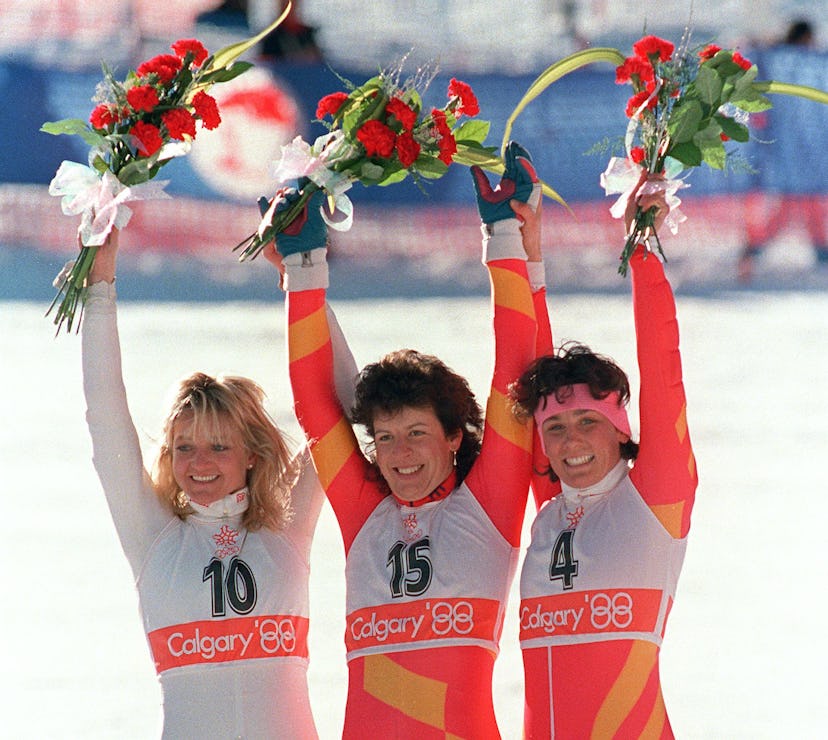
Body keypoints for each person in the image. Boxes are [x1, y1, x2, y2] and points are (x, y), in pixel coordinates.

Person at [267, 143, 539, 737]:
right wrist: (303, 270)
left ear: (453, 437)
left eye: (417, 433)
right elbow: (317, 409)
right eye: (385, 438)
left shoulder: (490, 502)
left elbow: (515, 377)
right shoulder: (365, 511)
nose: (400, 453)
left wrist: (505, 240)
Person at [79, 228, 357, 738]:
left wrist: (302, 284)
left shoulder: (286, 524)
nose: (198, 462)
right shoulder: (154, 537)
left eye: (218, 446)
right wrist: (99, 285)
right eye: (185, 446)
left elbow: (343, 403)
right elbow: (105, 416)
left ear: (252, 454)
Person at [509, 177, 698, 738]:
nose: (570, 443)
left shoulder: (656, 498)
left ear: (620, 430)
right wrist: (529, 260)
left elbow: (663, 368)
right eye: (557, 429)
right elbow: (531, 380)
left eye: (588, 422)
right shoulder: (552, 506)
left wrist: (641, 252)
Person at [738, 18, 828, 282]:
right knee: (790, 208)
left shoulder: (791, 62)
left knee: (804, 207)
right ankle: (751, 254)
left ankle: (819, 252)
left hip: (802, 153)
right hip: (788, 153)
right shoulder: (781, 61)